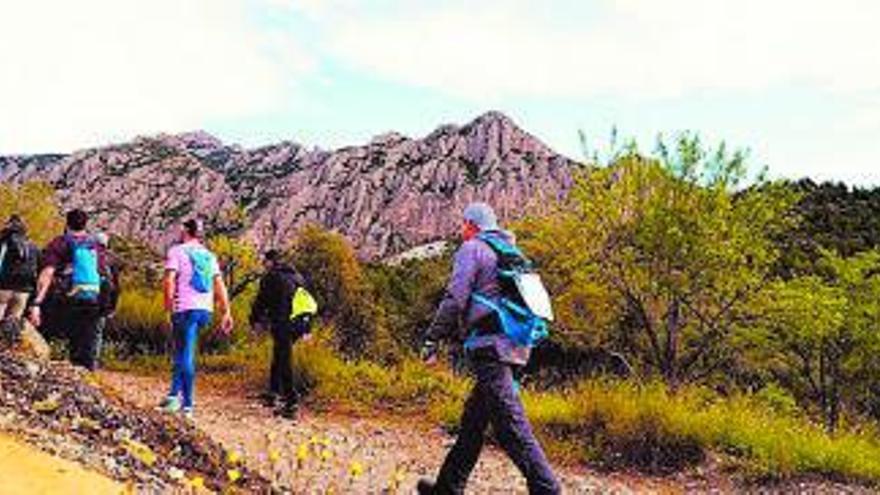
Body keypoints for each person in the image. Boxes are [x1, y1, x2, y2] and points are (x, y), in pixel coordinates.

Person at [417, 203, 560, 495]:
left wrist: (432, 338)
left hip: (490, 346)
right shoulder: (512, 252)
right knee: (474, 421)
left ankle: (547, 488)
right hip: (518, 345)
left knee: (510, 423)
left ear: (471, 224)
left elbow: (455, 297)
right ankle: (448, 487)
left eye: (463, 224)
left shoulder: (473, 249)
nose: (461, 230)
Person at [159, 219, 233, 420]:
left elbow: (169, 281)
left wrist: (168, 308)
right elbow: (219, 285)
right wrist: (226, 312)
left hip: (185, 308)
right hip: (204, 310)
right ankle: (173, 395)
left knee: (185, 354)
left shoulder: (177, 251)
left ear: (185, 231)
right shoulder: (209, 256)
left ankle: (188, 405)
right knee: (182, 351)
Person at [28, 209, 108, 370]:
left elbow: (47, 274)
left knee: (43, 337)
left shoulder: (60, 243)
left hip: (65, 303)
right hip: (95, 303)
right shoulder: (97, 247)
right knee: (87, 352)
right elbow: (105, 274)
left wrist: (36, 303)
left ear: (67, 223)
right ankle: (89, 384)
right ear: (86, 224)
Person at [249, 249, 312, 419]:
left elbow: (260, 301)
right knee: (279, 354)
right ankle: (273, 393)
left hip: (284, 323)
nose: (264, 265)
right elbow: (307, 302)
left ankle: (291, 403)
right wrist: (307, 328)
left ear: (270, 262)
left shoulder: (271, 277)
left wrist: (254, 321)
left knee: (284, 359)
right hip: (299, 324)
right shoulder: (298, 277)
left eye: (265, 262)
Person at [0, 215, 39, 342]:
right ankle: (7, 350)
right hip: (24, 291)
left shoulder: (4, 242)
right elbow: (36, 272)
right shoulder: (33, 246)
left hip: (3, 288)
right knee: (12, 323)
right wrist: (34, 300)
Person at [91, 232, 121, 368]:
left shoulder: (88, 255)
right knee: (97, 333)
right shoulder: (112, 259)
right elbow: (117, 286)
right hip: (104, 302)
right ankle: (93, 363)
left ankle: (80, 362)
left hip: (86, 299)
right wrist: (113, 307)